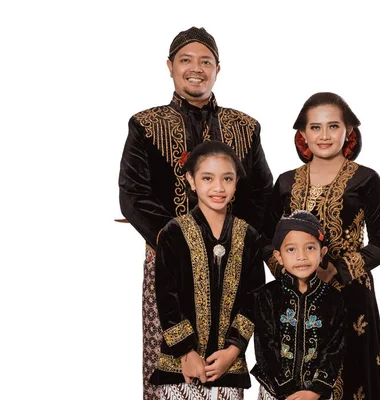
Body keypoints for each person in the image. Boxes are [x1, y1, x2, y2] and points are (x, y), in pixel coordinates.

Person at [117, 27, 273, 399]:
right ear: (170, 67)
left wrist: (245, 246)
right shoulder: (146, 124)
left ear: (218, 69)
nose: (196, 69)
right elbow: (133, 195)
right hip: (168, 261)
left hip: (234, 259)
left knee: (227, 356)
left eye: (205, 61)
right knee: (170, 366)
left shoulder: (245, 126)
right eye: (185, 60)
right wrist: (174, 243)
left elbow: (262, 196)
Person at [262, 92, 380, 400]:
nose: (324, 135)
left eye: (333, 126)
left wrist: (336, 270)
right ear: (302, 134)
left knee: (351, 382)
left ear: (348, 131)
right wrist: (288, 275)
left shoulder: (366, 179)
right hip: (294, 298)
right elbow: (265, 241)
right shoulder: (284, 182)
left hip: (350, 298)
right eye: (315, 127)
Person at [149, 141, 265, 399]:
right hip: (181, 366)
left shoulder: (249, 236)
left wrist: (233, 351)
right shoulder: (173, 233)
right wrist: (186, 353)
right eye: (207, 178)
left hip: (227, 365)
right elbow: (167, 298)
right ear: (191, 180)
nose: (218, 187)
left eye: (227, 178)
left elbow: (254, 298)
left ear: (236, 183)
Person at [251, 210, 346, 400]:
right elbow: (265, 348)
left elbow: (334, 349)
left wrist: (314, 391)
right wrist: (287, 391)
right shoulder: (268, 296)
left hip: (315, 395)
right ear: (278, 256)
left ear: (322, 253)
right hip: (275, 393)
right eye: (291, 249)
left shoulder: (333, 299)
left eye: (310, 248)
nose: (301, 257)